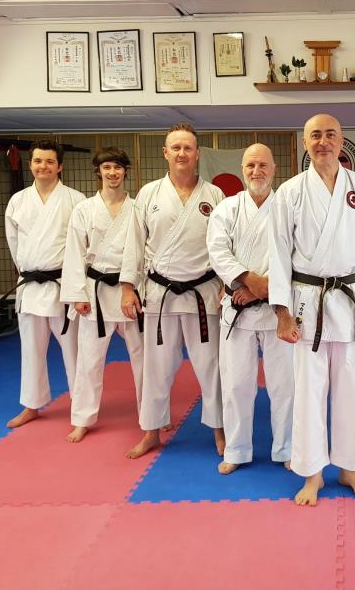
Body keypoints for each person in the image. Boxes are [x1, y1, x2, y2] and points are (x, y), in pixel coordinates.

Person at [269, 113, 355, 506]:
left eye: (330, 135)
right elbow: (278, 254)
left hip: (354, 300)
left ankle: (350, 467)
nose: (322, 142)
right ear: (305, 143)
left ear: (341, 141)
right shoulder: (289, 192)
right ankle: (312, 473)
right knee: (308, 391)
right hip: (307, 302)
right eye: (315, 135)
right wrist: (282, 313)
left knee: (351, 389)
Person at [120, 123, 226, 458]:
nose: (182, 153)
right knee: (156, 367)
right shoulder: (149, 194)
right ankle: (151, 430)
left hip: (203, 294)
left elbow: (225, 246)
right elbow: (134, 244)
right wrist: (127, 288)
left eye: (188, 148)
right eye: (176, 148)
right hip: (160, 295)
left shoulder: (214, 195)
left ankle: (220, 430)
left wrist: (227, 284)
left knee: (212, 366)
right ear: (165, 153)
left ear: (198, 153)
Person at [206, 143, 293, 474]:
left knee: (285, 386)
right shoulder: (226, 209)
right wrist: (247, 281)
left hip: (278, 311)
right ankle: (237, 450)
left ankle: (286, 448)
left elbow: (296, 255)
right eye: (250, 166)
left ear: (274, 169)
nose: (257, 171)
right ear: (242, 170)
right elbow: (218, 252)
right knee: (236, 385)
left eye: (263, 165)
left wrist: (261, 290)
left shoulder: (287, 207)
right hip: (237, 306)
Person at [60, 148, 144, 443]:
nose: (112, 173)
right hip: (95, 292)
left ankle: (152, 415)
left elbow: (144, 253)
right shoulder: (84, 209)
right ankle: (82, 419)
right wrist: (77, 294)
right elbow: (74, 253)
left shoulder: (137, 208)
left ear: (125, 171)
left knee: (143, 359)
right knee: (89, 360)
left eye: (118, 167)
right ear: (98, 172)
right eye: (107, 167)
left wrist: (138, 289)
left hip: (129, 291)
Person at [4, 139, 85, 428]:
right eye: (38, 161)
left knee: (74, 350)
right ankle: (32, 405)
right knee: (31, 350)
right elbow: (14, 244)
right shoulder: (18, 201)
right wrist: (27, 270)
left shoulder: (75, 200)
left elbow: (82, 246)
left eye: (50, 161)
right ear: (30, 165)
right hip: (30, 284)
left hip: (63, 285)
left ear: (59, 166)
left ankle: (82, 407)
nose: (43, 166)